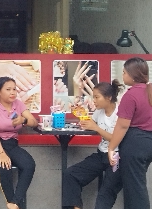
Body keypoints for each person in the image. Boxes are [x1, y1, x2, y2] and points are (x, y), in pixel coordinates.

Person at [103, 57, 152, 209]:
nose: (122, 75)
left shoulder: (131, 95)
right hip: (151, 142)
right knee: (118, 185)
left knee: (135, 191)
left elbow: (122, 125)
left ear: (132, 74)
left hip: (134, 145)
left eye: (124, 72)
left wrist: (111, 148)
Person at [61, 80, 123, 209]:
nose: (93, 101)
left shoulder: (120, 114)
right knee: (70, 174)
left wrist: (96, 128)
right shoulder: (99, 111)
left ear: (108, 97)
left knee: (106, 192)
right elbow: (90, 124)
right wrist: (81, 115)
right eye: (93, 97)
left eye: (96, 97)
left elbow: (116, 138)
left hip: (117, 158)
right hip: (101, 155)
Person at [0, 76, 38, 209]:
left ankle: (14, 203)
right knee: (4, 167)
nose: (12, 92)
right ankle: (12, 203)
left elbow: (34, 123)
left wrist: (24, 120)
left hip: (12, 144)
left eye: (14, 89)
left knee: (29, 165)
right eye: (8, 89)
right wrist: (1, 153)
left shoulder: (18, 105)